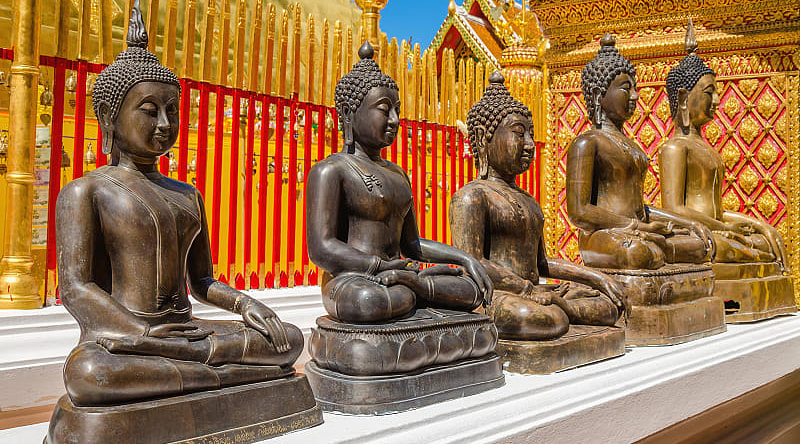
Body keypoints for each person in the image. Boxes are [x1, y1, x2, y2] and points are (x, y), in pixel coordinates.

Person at [56, 3, 302, 407]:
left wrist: (246, 303)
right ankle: (214, 371)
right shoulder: (87, 191)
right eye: (150, 111)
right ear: (109, 116)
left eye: (173, 111)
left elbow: (201, 282)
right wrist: (143, 333)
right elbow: (77, 289)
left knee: (288, 339)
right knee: (89, 375)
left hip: (188, 332)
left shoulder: (188, 194)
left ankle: (197, 367)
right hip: (127, 338)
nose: (165, 125)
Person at [305, 42, 493, 324]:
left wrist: (465, 259)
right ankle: (415, 290)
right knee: (369, 302)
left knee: (471, 289)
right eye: (384, 109)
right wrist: (378, 266)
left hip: (402, 276)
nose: (394, 120)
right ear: (347, 113)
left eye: (397, 109)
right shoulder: (331, 170)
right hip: (354, 281)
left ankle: (414, 288)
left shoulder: (397, 174)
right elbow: (322, 248)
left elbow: (412, 244)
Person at [450, 72, 622, 340]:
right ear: (484, 137)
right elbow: (471, 263)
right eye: (519, 134)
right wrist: (527, 290)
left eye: (530, 135)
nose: (529, 145)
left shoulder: (529, 201)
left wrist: (596, 278)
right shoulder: (472, 196)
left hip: (536, 293)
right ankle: (564, 309)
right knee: (541, 318)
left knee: (609, 305)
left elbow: (540, 262)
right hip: (497, 296)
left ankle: (565, 307)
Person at [566, 34, 715, 270]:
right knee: (639, 253)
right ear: (598, 95)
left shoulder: (632, 147)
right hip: (603, 235)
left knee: (700, 245)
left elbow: (641, 208)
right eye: (626, 89)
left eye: (635, 88)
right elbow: (580, 211)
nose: (635, 95)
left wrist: (687, 223)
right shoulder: (587, 143)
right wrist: (638, 227)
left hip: (639, 231)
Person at [660, 20, 787, 270]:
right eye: (709, 93)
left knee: (764, 241)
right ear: (684, 98)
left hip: (717, 230)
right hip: (695, 234)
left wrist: (758, 225)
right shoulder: (675, 148)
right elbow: (674, 209)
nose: (717, 100)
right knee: (728, 248)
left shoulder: (705, 148)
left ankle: (750, 250)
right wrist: (725, 230)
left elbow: (715, 213)